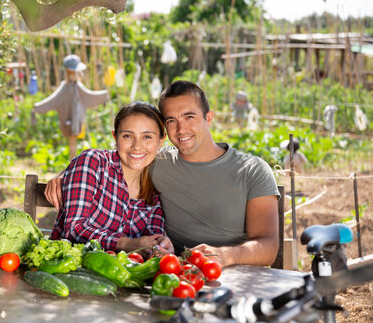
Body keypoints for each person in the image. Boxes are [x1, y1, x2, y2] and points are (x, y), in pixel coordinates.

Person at [46, 81, 279, 267]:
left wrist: (226, 256)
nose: (181, 129)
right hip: (172, 271)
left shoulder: (252, 170)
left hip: (235, 273)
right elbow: (118, 156)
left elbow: (268, 248)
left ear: (208, 118)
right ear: (165, 131)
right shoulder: (157, 162)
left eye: (189, 117)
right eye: (171, 121)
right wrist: (65, 175)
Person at [50, 101, 174, 256]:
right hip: (67, 269)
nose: (137, 146)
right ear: (115, 137)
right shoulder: (93, 163)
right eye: (127, 136)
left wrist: (160, 244)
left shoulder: (154, 192)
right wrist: (125, 243)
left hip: (119, 276)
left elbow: (152, 240)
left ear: (160, 141)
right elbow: (74, 229)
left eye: (147, 137)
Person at [32, 54, 109, 159]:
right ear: (71, 72)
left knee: (73, 144)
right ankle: (72, 164)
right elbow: (52, 100)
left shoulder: (73, 86)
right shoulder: (68, 87)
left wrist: (103, 96)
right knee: (72, 144)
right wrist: (37, 107)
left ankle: (73, 163)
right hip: (70, 122)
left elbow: (88, 95)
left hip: (74, 121)